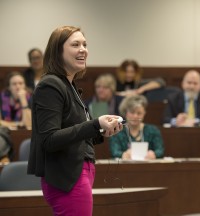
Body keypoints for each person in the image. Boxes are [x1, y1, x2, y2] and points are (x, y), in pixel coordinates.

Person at [27, 26, 123, 216]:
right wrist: (95, 124)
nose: (83, 49)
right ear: (58, 51)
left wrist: (102, 130)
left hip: (79, 170)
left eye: (85, 44)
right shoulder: (50, 85)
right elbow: (49, 139)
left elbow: (76, 132)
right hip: (66, 176)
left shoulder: (69, 86)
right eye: (75, 44)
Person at [109, 95, 164, 160]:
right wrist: (123, 155)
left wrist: (154, 154)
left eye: (139, 113)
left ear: (144, 113)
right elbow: (114, 152)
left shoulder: (153, 130)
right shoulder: (118, 131)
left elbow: (160, 150)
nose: (135, 116)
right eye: (132, 112)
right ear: (125, 112)